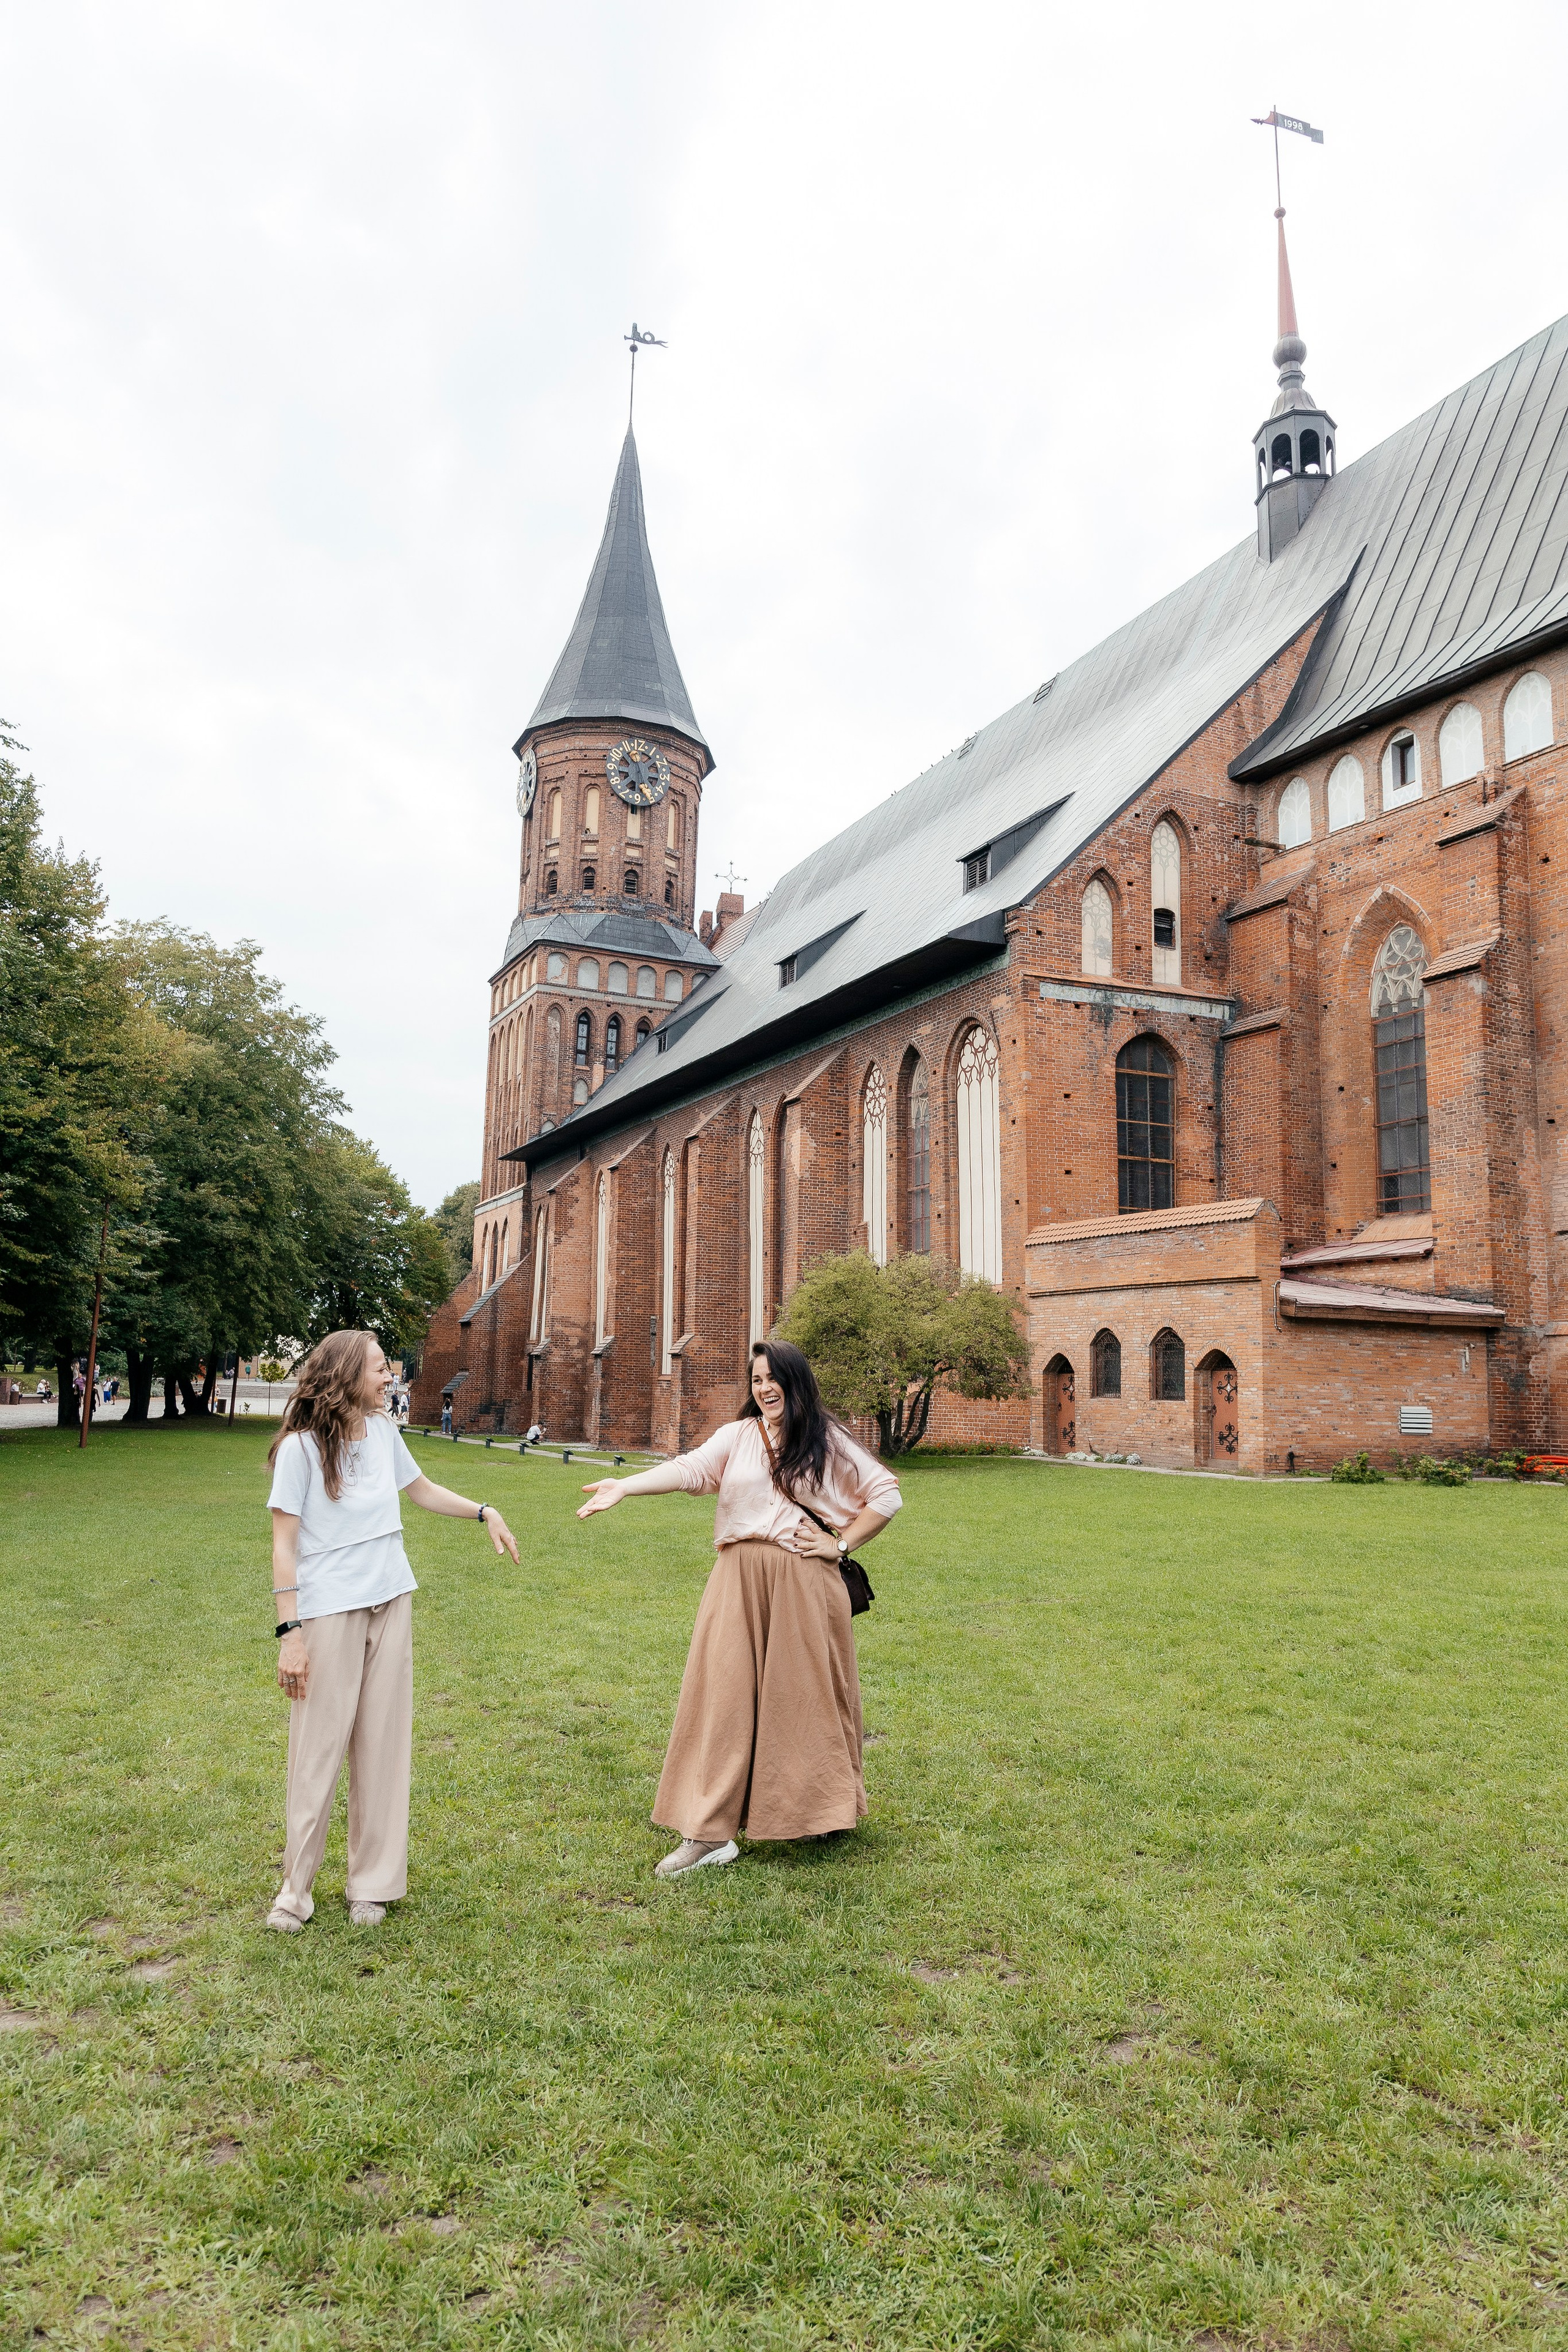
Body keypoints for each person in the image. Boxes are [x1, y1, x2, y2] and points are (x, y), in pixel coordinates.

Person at [577, 1340, 901, 1879]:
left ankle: (822, 1812)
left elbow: (886, 1494)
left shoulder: (827, 1438)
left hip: (802, 1580)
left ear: (795, 1382)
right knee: (723, 1695)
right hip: (738, 1578)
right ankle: (709, 1834)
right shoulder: (739, 1436)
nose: (764, 1388)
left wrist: (840, 1544)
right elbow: (689, 1471)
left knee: (804, 1700)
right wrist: (626, 1487)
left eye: (773, 1378)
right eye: (756, 1380)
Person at [264, 1328, 520, 1933]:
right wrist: (290, 1632)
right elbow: (283, 1545)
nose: (391, 1378)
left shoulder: (384, 1432)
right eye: (381, 1369)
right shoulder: (300, 1451)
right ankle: (295, 1893)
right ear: (348, 1375)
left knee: (382, 1747)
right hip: (329, 1612)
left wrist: (485, 1511)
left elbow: (421, 1491)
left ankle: (371, 1885)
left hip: (391, 1598)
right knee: (317, 1753)